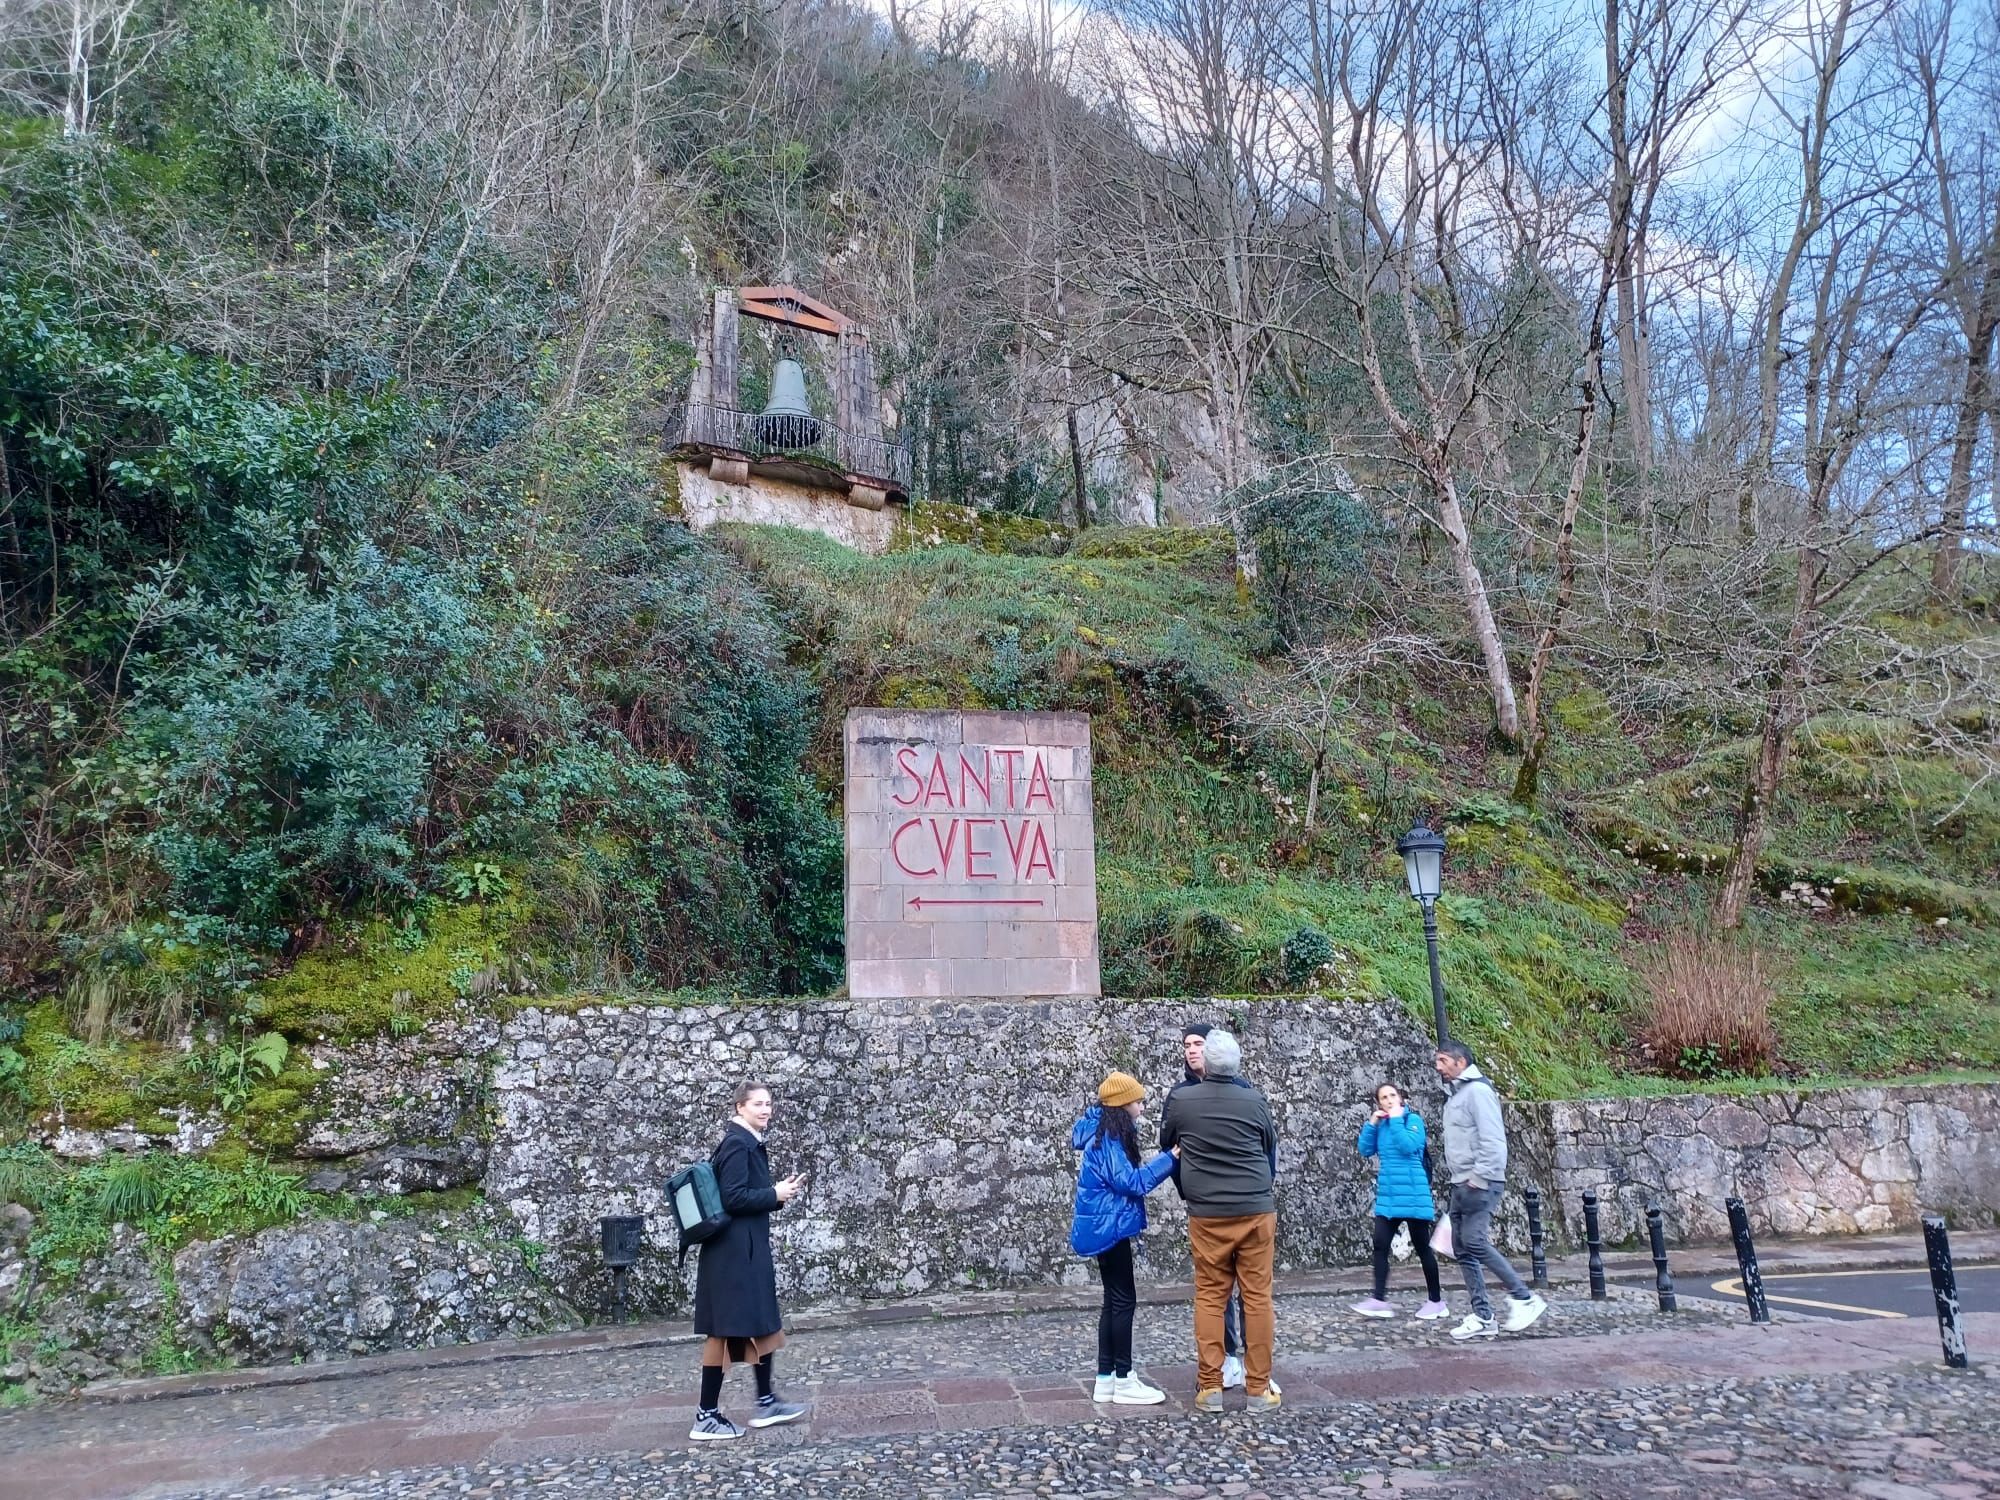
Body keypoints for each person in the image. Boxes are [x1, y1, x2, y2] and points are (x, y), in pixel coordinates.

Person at [1160, 1029, 1281, 1412]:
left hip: (1208, 1211)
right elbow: (1268, 1148)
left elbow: (1170, 1144)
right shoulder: (1255, 1100)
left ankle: (1210, 1385)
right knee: (1257, 1297)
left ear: (1207, 1064)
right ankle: (1258, 1388)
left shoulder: (1182, 1100)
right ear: (1237, 1063)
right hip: (1255, 1208)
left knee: (1211, 1296)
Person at [689, 1081, 810, 1440]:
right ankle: (706, 1415)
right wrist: (774, 1192)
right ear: (740, 1107)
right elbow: (734, 1198)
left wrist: (775, 1195)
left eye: (769, 1103)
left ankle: (767, 1401)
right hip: (733, 1255)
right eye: (758, 1104)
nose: (766, 1109)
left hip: (745, 1250)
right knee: (724, 1333)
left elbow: (744, 1196)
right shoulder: (738, 1143)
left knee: (761, 1323)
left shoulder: (746, 1141)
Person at [1069, 1070, 1179, 1404]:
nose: (1142, 1107)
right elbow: (1132, 1182)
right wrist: (1169, 1160)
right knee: (1123, 1301)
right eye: (1138, 1101)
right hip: (1110, 1227)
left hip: (1105, 1224)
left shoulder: (1101, 1132)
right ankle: (1124, 1378)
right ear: (1122, 1104)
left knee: (1112, 1301)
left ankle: (1105, 1378)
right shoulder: (1110, 1141)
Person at [1434, 1041, 1548, 1341]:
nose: (1438, 1066)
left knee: (1474, 1242)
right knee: (1462, 1248)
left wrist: (1479, 1177)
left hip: (1477, 1182)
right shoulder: (1459, 1094)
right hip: (1462, 1181)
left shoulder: (1478, 1092)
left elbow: (1494, 1140)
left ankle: (1524, 1298)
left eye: (1443, 1060)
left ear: (1460, 1062)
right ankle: (1483, 1315)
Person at [1168, 1020, 1248, 1388]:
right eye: (1187, 1044)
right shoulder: (1179, 1096)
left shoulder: (1243, 1091)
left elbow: (1265, 1145)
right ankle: (1225, 1358)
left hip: (1245, 1202)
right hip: (1205, 1205)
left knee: (1251, 1289)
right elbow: (1169, 1149)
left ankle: (1255, 1363)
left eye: (1198, 1042)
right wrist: (1188, 1189)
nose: (1191, 1049)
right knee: (1215, 1288)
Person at [1351, 1082, 1449, 1320]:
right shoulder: (1382, 1125)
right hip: (1389, 1195)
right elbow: (1364, 1149)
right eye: (1383, 1097)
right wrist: (1372, 1124)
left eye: (1392, 1095)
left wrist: (1395, 1119)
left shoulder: (1411, 1120)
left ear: (1401, 1097)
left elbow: (1408, 1146)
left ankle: (1436, 1301)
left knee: (1423, 1248)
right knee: (1380, 1244)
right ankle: (1378, 1298)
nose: (1388, 1100)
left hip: (1414, 1194)